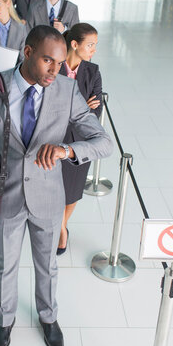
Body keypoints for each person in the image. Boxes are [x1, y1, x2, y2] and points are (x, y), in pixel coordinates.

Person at [0, 25, 112, 346]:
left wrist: (66, 150)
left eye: (60, 63)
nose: (55, 71)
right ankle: (4, 321)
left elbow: (103, 142)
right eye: (48, 61)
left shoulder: (65, 90)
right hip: (7, 194)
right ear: (28, 53)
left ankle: (48, 317)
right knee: (5, 264)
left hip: (48, 195)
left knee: (47, 263)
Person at [56, 23, 102, 255]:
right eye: (90, 45)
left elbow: (95, 112)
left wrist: (74, 109)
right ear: (74, 44)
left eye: (95, 45)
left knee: (73, 191)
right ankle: (57, 224)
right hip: (53, 140)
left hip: (81, 144)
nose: (94, 50)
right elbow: (46, 107)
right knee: (54, 188)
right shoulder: (54, 66)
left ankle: (61, 227)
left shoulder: (92, 72)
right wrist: (82, 107)